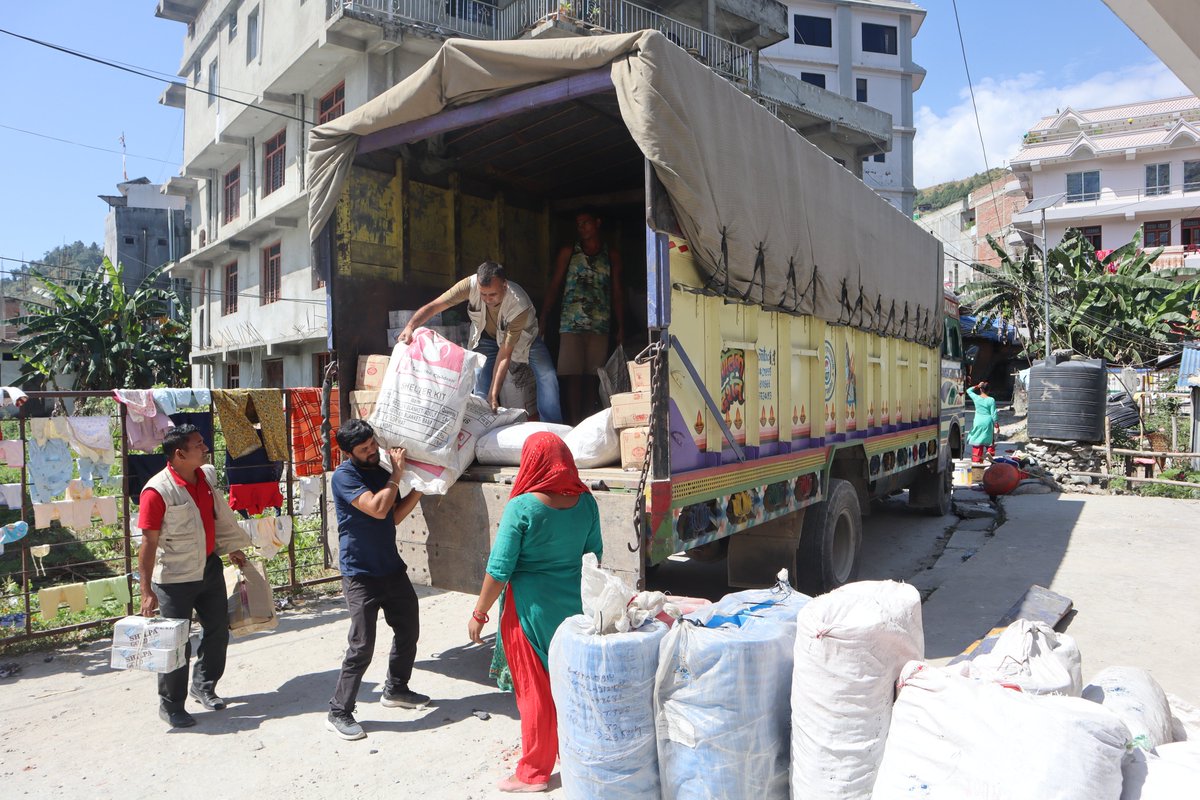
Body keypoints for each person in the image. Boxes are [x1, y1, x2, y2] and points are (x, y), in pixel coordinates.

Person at [468, 432, 603, 793]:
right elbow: (594, 558)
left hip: (529, 612)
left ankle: (533, 773)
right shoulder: (587, 503)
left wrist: (479, 614)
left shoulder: (522, 507)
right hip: (574, 610)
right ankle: (572, 756)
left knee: (535, 692)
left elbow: (499, 570)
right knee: (568, 687)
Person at [137, 424, 251, 729]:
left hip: (208, 568)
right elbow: (148, 543)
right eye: (198, 444)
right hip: (174, 578)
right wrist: (146, 590)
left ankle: (204, 686)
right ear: (180, 454)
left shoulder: (205, 477)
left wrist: (231, 547)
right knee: (176, 643)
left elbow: (215, 518)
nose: (205, 448)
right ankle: (171, 706)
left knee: (218, 631)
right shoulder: (157, 491)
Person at [327, 419, 429, 741]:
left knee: (408, 629)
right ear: (348, 453)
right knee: (361, 645)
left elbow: (393, 516)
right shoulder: (344, 476)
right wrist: (397, 474)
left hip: (390, 567)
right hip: (360, 573)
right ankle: (338, 711)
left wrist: (421, 487)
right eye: (364, 449)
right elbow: (376, 508)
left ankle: (396, 688)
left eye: (373, 444)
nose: (372, 451)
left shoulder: (380, 471)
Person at [399, 261, 562, 423]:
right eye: (483, 294)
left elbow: (505, 353)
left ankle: (553, 425)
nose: (487, 299)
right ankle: (481, 425)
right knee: (479, 379)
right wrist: (410, 326)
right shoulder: (469, 285)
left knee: (547, 375)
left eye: (492, 294)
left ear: (504, 286)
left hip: (525, 340)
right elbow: (436, 305)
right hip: (486, 339)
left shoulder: (519, 304)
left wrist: (493, 393)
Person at [542, 208, 625, 423]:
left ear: (597, 223)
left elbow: (617, 292)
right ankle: (574, 423)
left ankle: (587, 421)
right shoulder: (570, 252)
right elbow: (555, 285)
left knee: (592, 378)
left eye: (586, 222)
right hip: (571, 323)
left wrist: (621, 326)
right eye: (579, 224)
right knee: (573, 377)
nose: (582, 228)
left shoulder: (611, 255)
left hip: (600, 325)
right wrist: (543, 318)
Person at [966, 381, 1000, 463]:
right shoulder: (991, 400)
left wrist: (977, 386)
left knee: (978, 441)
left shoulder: (976, 398)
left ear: (981, 389)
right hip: (988, 422)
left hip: (978, 421)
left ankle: (977, 460)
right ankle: (989, 453)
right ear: (989, 390)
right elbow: (994, 414)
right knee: (990, 440)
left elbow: (968, 390)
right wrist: (996, 425)